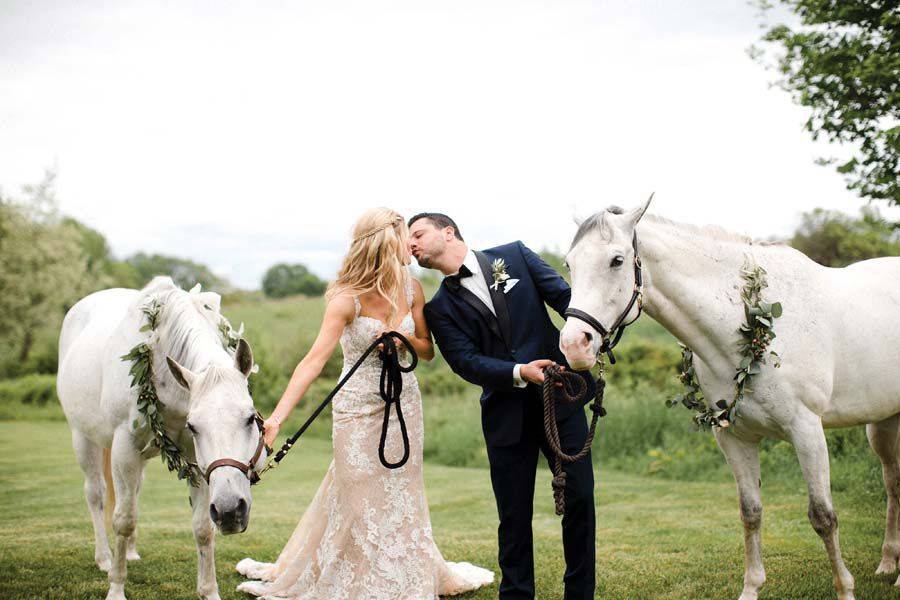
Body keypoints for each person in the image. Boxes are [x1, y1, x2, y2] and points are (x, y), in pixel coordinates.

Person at [235, 208, 493, 599]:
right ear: (385, 243)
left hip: (403, 404)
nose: (411, 244)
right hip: (356, 408)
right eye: (406, 236)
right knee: (358, 494)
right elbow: (314, 361)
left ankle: (402, 571)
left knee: (402, 491)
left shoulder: (412, 289)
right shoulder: (346, 298)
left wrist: (399, 340)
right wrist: (277, 419)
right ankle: (360, 575)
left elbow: (426, 351)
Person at [408, 213, 596, 600]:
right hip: (505, 416)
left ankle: (580, 593)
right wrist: (518, 371)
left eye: (418, 234)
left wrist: (589, 341)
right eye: (408, 240)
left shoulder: (515, 256)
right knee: (513, 515)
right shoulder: (438, 309)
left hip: (560, 398)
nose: (411, 244)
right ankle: (516, 594)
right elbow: (465, 361)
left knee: (580, 499)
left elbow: (567, 300)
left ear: (448, 231)